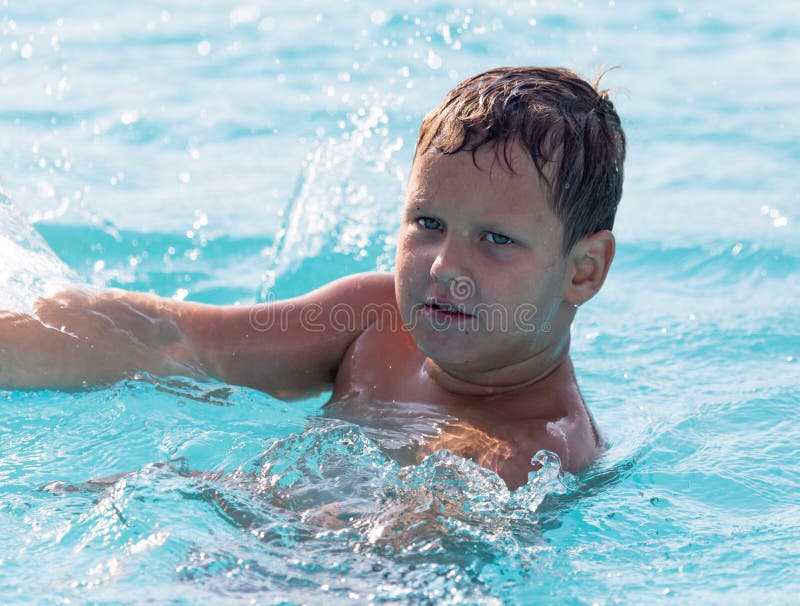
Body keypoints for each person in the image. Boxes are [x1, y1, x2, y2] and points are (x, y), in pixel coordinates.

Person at [0, 66, 625, 489]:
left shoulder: (536, 453)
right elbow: (174, 340)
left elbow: (387, 562)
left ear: (583, 271)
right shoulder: (373, 318)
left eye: (496, 240)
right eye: (428, 222)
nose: (443, 265)